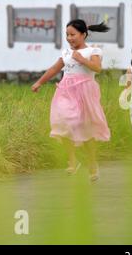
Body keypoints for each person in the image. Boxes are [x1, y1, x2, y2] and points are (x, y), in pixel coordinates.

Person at [31, 19, 110, 182]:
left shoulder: (93, 51)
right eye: (67, 35)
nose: (69, 38)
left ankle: (92, 163)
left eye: (73, 34)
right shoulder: (66, 53)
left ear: (83, 34)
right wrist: (39, 82)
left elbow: (97, 68)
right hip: (66, 91)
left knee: (86, 129)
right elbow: (54, 68)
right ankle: (72, 160)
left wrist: (81, 59)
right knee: (64, 123)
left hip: (85, 92)